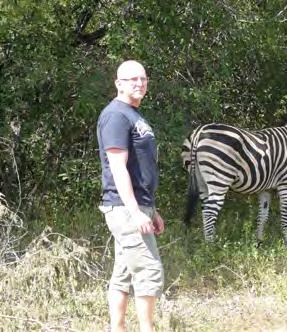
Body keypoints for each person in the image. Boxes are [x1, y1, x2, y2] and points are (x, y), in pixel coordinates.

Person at [97, 60, 164, 332]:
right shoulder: (116, 115)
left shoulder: (133, 114)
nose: (139, 83)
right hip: (125, 208)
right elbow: (117, 167)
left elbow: (141, 169)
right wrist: (135, 211)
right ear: (118, 84)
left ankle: (118, 328)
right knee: (148, 271)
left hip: (137, 206)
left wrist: (151, 209)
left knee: (123, 274)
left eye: (143, 79)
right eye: (132, 79)